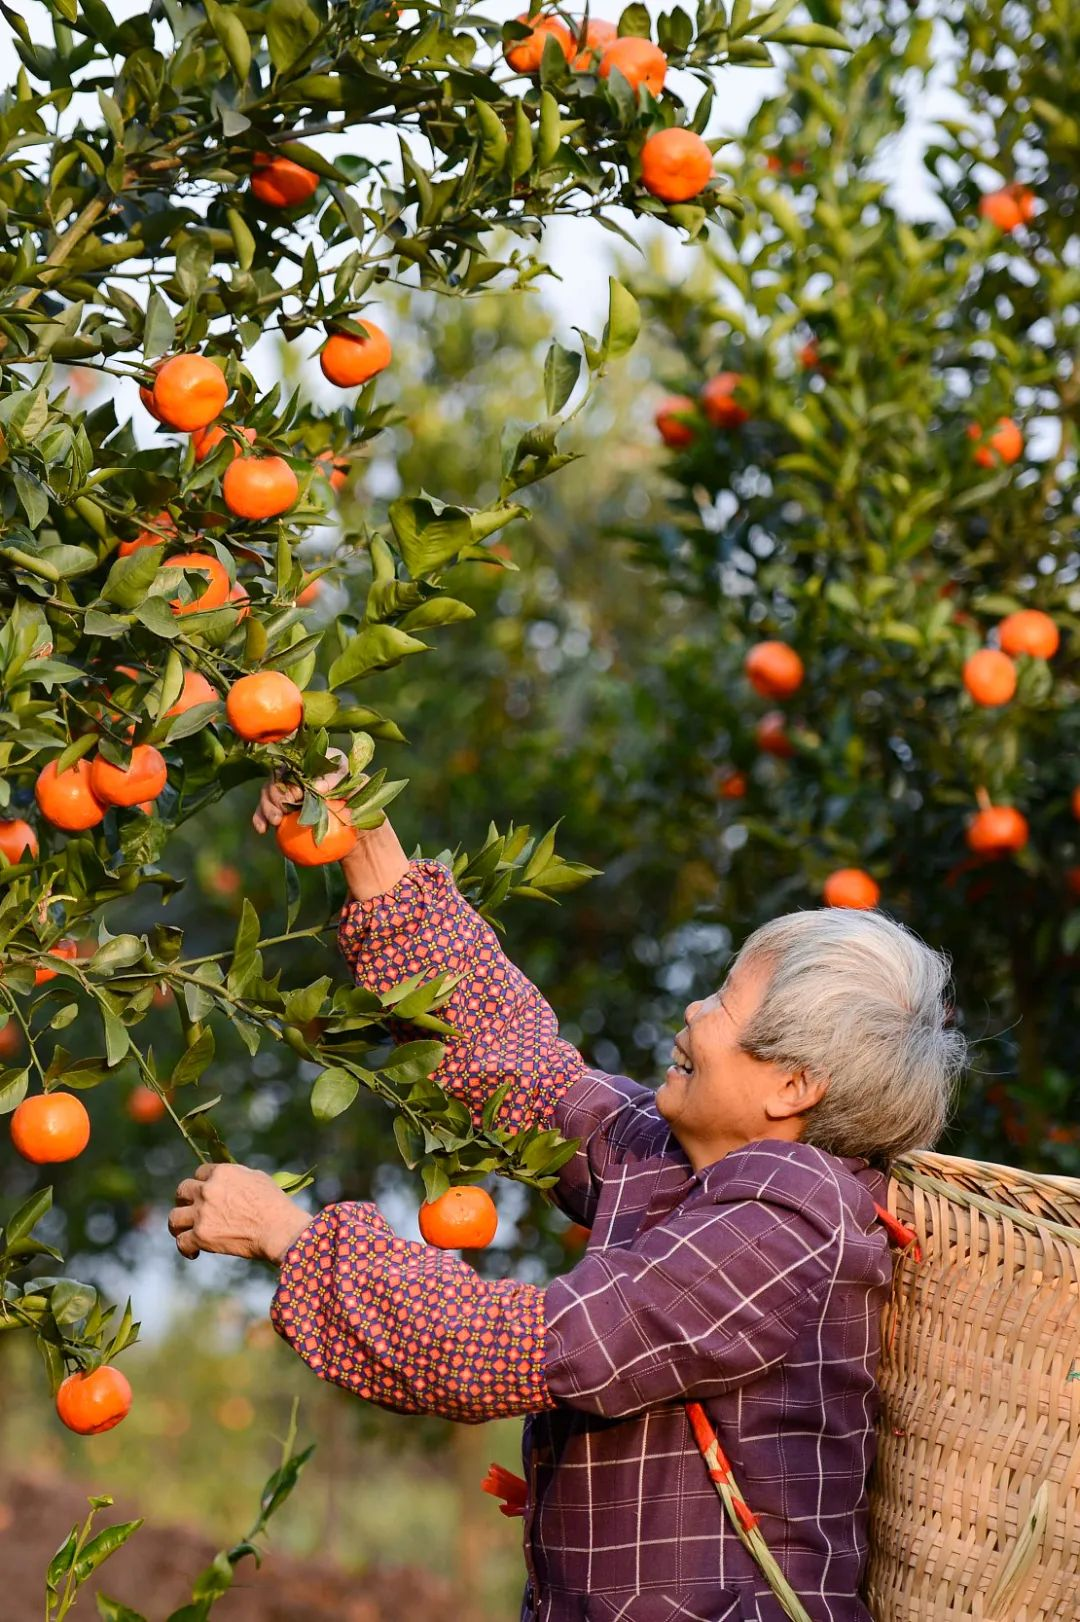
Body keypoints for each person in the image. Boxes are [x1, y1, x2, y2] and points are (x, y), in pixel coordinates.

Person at [169, 788, 965, 1622]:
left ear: (793, 1086)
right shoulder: (684, 1161)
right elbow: (519, 1071)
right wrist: (363, 839)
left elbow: (521, 1346)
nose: (693, 1012)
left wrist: (291, 1237)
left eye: (724, 1003)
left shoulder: (787, 1222)